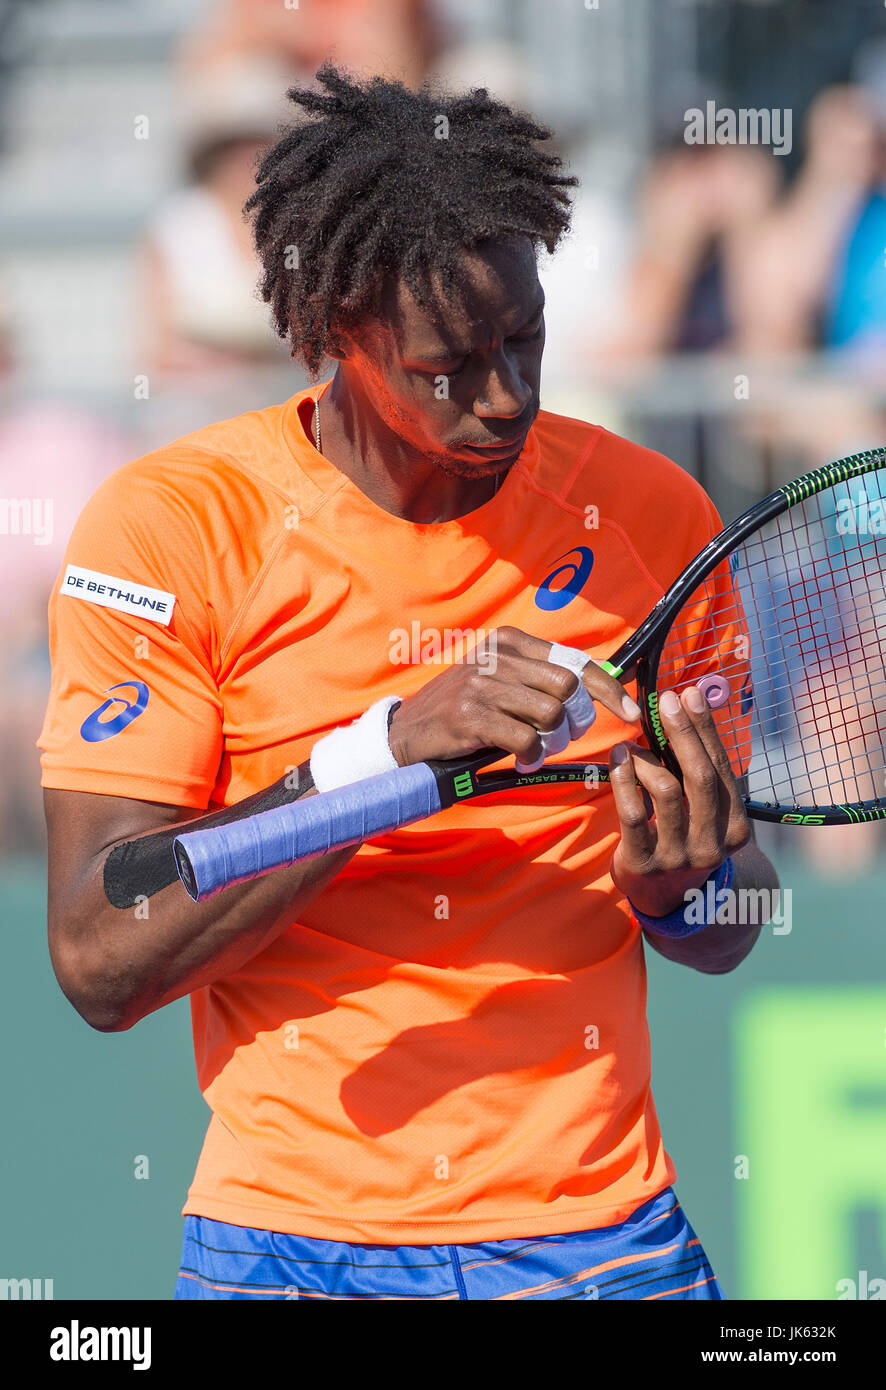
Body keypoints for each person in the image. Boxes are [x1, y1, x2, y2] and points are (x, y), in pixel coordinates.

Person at [38, 64, 777, 1302]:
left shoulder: (656, 513)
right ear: (333, 328)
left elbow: (736, 924)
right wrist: (380, 765)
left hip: (603, 1244)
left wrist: (682, 889)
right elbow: (100, 957)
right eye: (448, 366)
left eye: (525, 339)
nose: (504, 395)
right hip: (285, 1248)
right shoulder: (169, 528)